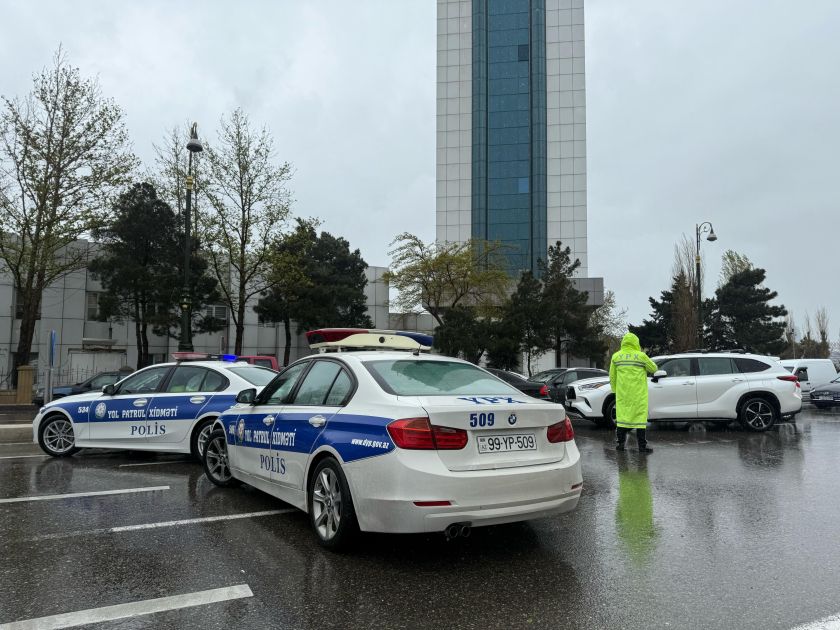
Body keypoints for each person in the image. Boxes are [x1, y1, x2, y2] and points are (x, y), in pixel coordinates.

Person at [610, 332, 657, 453]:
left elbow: (612, 376)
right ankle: (642, 446)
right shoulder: (641, 356)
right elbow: (654, 368)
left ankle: (620, 445)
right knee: (640, 420)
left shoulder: (616, 356)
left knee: (622, 419)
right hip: (638, 394)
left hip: (623, 394)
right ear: (636, 343)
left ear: (623, 342)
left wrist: (615, 390)